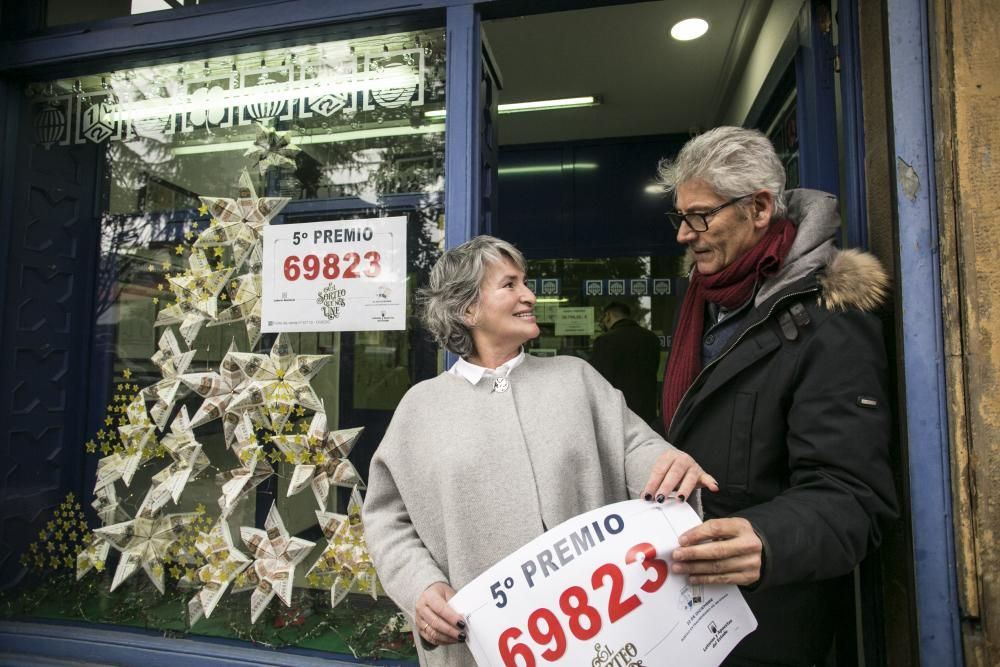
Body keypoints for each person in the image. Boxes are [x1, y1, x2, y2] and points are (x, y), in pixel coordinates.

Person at [362, 235, 718, 667]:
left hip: (603, 636)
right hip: (480, 648)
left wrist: (666, 465)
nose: (529, 295)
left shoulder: (576, 378)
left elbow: (635, 447)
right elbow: (386, 517)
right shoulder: (421, 407)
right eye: (509, 285)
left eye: (525, 283)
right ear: (467, 308)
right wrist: (420, 587)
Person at [657, 126, 898, 666]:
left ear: (759, 208)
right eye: (681, 217)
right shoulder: (706, 300)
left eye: (700, 216)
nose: (684, 235)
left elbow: (855, 496)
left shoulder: (832, 323)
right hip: (693, 612)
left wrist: (766, 539)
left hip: (770, 626)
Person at [591, 301, 662, 424]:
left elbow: (599, 380)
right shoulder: (651, 338)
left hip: (618, 412)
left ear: (608, 316)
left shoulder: (605, 341)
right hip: (646, 411)